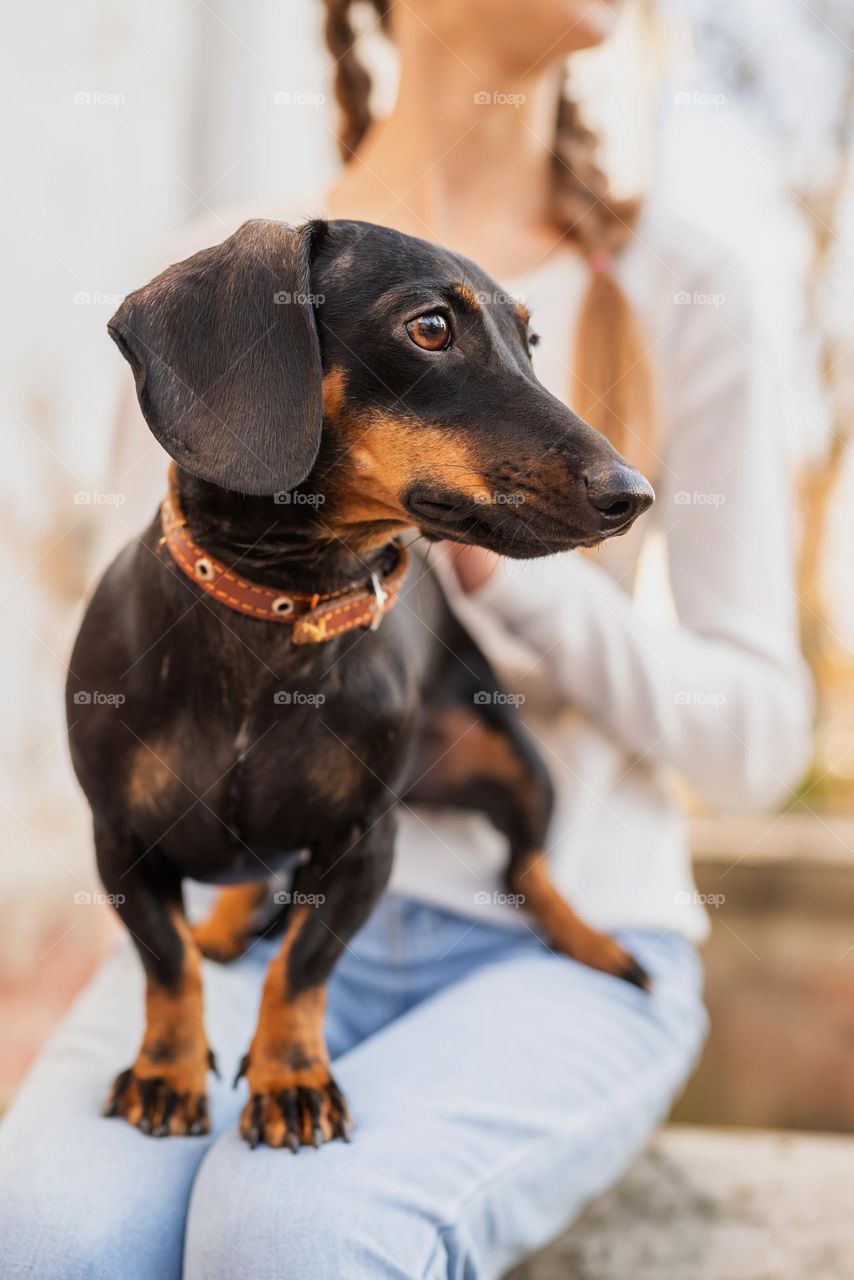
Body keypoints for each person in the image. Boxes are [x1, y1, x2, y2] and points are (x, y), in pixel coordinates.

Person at [0, 2, 812, 1276]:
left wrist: (495, 564)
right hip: (250, 911)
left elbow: (761, 745)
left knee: (295, 1233)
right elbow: (157, 662)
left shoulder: (683, 285)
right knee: (51, 1238)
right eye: (432, 335)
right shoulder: (224, 295)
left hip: (551, 944)